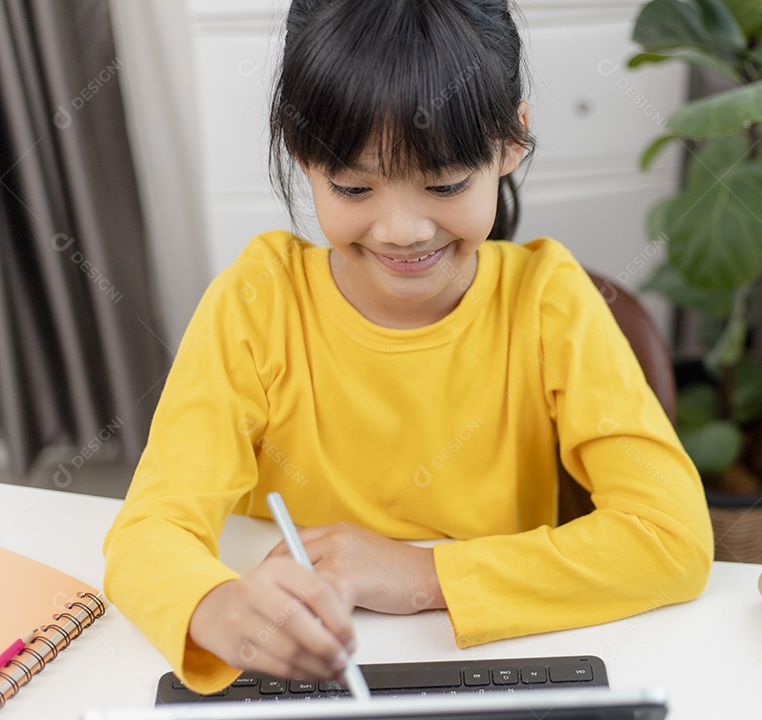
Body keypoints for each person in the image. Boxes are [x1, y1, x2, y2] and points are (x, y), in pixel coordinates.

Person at [103, 0, 713, 695]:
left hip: (484, 666)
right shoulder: (258, 303)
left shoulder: (551, 305)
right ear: (303, 155)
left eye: (445, 183)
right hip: (307, 672)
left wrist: (421, 577)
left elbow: (673, 538)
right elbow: (146, 532)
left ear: (512, 143)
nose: (402, 229)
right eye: (355, 186)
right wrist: (215, 608)